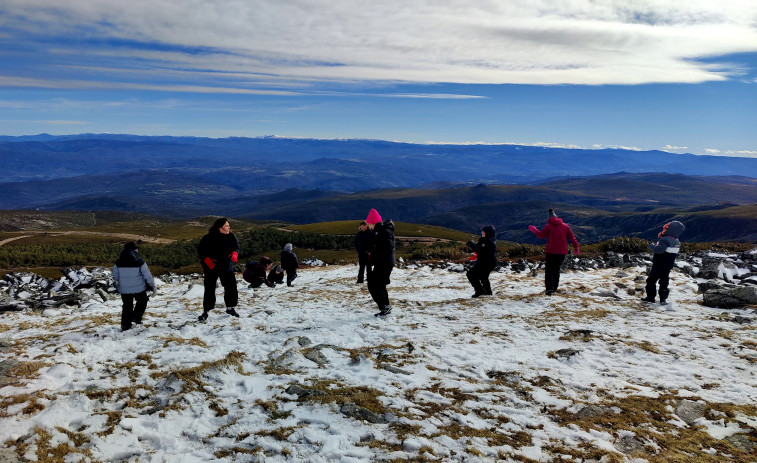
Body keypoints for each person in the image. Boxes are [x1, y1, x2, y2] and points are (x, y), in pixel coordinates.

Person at [528, 208, 580, 295]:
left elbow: (541, 235)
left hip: (551, 252)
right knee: (556, 270)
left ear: (549, 219)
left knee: (549, 271)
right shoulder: (565, 226)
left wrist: (534, 230)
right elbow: (572, 237)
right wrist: (576, 247)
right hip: (562, 253)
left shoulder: (548, 226)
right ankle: (555, 288)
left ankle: (549, 289)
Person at [197, 217, 240, 321]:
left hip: (226, 266)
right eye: (226, 226)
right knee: (210, 288)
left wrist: (235, 253)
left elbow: (236, 247)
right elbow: (201, 251)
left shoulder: (231, 236)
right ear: (220, 228)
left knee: (231, 286)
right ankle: (207, 310)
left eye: (228, 226)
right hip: (212, 267)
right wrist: (206, 260)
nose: (229, 227)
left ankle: (230, 308)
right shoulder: (208, 238)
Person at [112, 242, 155, 331]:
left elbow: (115, 276)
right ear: (135, 250)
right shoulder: (140, 261)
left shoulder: (118, 262)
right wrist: (153, 286)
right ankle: (136, 318)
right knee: (142, 301)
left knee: (127, 305)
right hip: (139, 288)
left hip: (124, 289)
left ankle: (125, 325)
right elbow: (148, 276)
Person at [642, 221, 685, 305]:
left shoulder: (664, 239)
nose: (664, 229)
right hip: (668, 265)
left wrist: (650, 245)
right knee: (664, 281)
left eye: (666, 228)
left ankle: (650, 297)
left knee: (651, 280)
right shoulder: (677, 241)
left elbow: (659, 250)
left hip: (659, 264)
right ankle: (663, 298)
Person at [365, 208, 395, 316]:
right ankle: (384, 307)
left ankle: (385, 307)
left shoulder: (384, 232)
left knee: (377, 285)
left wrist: (375, 253)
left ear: (373, 222)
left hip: (384, 263)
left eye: (369, 222)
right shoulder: (376, 232)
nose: (368, 224)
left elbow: (388, 248)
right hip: (380, 262)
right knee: (375, 285)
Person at [465, 225, 497, 298]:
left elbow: (480, 250)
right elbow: (479, 248)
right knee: (483, 277)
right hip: (487, 262)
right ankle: (488, 292)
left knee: (471, 274)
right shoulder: (486, 240)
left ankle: (480, 291)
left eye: (483, 232)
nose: (482, 233)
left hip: (486, 263)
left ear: (488, 233)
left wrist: (471, 244)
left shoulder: (489, 242)